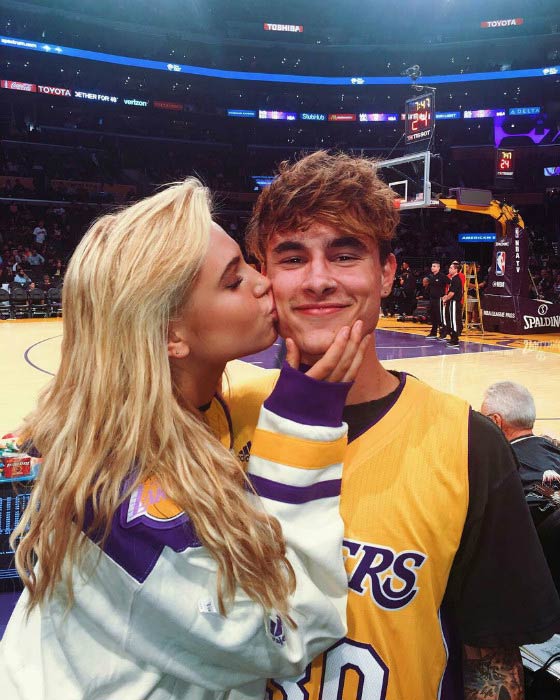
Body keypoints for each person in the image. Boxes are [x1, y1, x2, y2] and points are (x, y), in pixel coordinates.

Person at [0, 178, 371, 699]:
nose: (263, 282)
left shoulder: (169, 419)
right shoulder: (123, 502)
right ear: (171, 336)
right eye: (233, 280)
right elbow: (288, 634)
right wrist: (303, 427)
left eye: (247, 263)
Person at [234, 150, 560, 700]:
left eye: (345, 254)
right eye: (292, 258)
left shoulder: (469, 443)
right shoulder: (220, 413)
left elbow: (492, 666)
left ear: (386, 272)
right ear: (263, 277)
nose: (317, 280)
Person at [441, 261, 463, 347]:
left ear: (456, 269)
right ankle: (453, 337)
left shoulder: (456, 279)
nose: (449, 269)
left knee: (454, 320)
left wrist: (445, 298)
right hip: (452, 302)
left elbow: (452, 293)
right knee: (450, 319)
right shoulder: (453, 279)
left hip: (454, 302)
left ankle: (455, 340)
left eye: (451, 268)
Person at [425, 260, 448, 338]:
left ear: (438, 268)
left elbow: (450, 283)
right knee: (433, 316)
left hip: (439, 299)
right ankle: (433, 332)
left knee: (440, 317)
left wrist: (446, 295)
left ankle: (443, 333)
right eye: (432, 266)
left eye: (434, 266)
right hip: (432, 299)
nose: (432, 268)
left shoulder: (442, 276)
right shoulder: (431, 277)